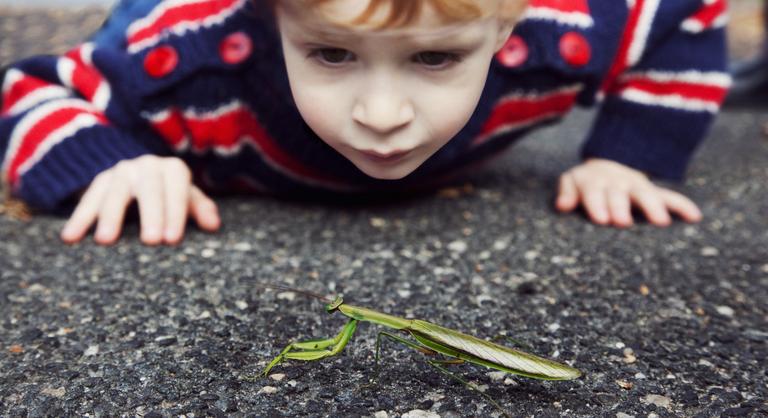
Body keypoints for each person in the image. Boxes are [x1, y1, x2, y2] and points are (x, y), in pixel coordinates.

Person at [0, 0, 730, 246]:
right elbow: (26, 89)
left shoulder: (560, 31)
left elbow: (688, 10)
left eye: (437, 59)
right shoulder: (179, 68)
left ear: (513, 19)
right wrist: (109, 156)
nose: (383, 116)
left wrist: (631, 153)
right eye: (332, 53)